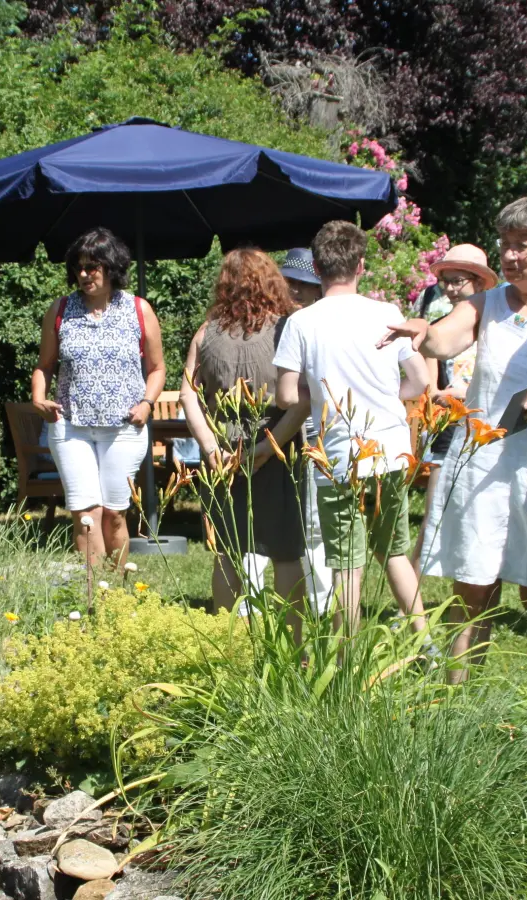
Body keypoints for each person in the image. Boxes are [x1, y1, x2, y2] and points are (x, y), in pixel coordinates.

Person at [386, 197, 527, 711]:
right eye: (504, 245)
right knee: (473, 594)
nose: (508, 257)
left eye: (521, 246)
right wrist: (423, 333)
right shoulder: (488, 304)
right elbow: (443, 340)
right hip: (484, 468)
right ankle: (456, 720)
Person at [273, 222, 433, 635]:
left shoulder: (302, 323)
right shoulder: (387, 314)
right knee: (394, 551)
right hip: (390, 447)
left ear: (317, 267)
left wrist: (319, 384)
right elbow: (419, 383)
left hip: (339, 455)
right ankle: (429, 649)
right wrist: (382, 394)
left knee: (347, 566)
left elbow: (288, 397)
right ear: (360, 265)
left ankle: (347, 666)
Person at [180, 249, 311, 627]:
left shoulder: (206, 333)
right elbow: (301, 401)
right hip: (279, 451)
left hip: (222, 457)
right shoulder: (289, 328)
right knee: (285, 552)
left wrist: (209, 447)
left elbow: (188, 392)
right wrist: (266, 450)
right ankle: (293, 644)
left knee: (227, 552)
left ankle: (227, 645)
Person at [31, 227, 165, 566]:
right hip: (71, 427)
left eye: (93, 266)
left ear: (111, 267)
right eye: (79, 267)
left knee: (114, 514)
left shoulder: (138, 310)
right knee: (86, 513)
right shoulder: (60, 310)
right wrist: (38, 396)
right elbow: (44, 365)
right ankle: (95, 595)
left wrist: (147, 403)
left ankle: (116, 594)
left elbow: (158, 368)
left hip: (124, 428)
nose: (84, 274)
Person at [413, 245, 498, 565]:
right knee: (435, 513)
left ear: (478, 281)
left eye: (457, 280)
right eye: (445, 280)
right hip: (449, 426)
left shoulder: (498, 320)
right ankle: (413, 600)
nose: (448, 288)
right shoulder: (441, 322)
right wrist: (441, 394)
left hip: (488, 424)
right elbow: (432, 387)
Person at [277, 248, 336, 616]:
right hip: (287, 434)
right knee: (299, 521)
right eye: (290, 283)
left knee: (316, 522)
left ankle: (322, 604)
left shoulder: (321, 322)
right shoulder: (282, 325)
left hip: (321, 432)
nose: (295, 291)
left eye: (304, 284)